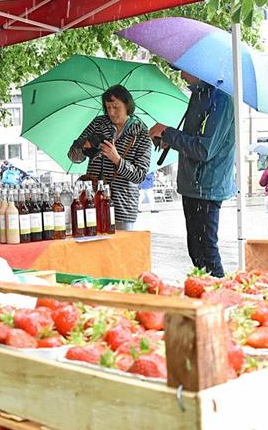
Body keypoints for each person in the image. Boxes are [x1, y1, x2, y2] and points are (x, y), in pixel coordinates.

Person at [148, 70, 234, 278]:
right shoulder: (199, 94)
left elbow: (204, 150)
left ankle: (219, 300)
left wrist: (168, 132)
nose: (180, 75)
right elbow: (194, 139)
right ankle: (205, 297)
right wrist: (173, 139)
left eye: (182, 69)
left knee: (207, 253)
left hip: (207, 186)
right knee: (197, 252)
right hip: (193, 185)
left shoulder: (220, 99)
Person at [68, 85, 151, 230]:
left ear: (127, 106)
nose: (111, 112)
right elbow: (73, 156)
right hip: (92, 200)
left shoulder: (141, 134)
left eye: (115, 107)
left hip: (122, 205)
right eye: (108, 107)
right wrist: (83, 147)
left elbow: (140, 176)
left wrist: (117, 159)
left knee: (120, 250)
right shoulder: (98, 124)